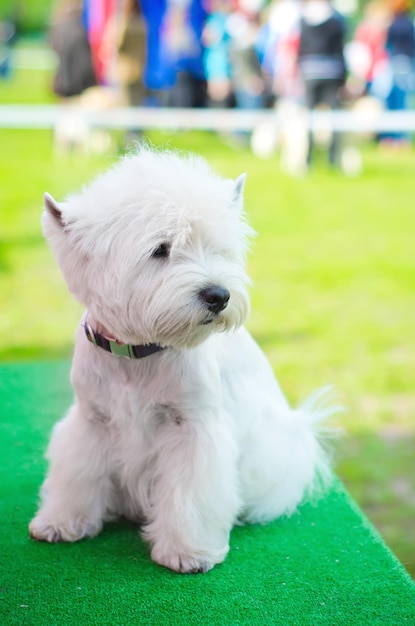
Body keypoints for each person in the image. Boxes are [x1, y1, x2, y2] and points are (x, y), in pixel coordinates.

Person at [297, 0, 347, 167]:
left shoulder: (304, 18)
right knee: (334, 118)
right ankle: (333, 159)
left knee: (309, 117)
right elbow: (340, 49)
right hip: (331, 71)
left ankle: (308, 159)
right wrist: (343, 78)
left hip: (310, 71)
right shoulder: (336, 18)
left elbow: (301, 47)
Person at [382, 0, 415, 146]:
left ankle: (393, 136)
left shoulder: (393, 24)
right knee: (403, 100)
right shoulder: (409, 24)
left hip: (396, 63)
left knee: (394, 100)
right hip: (406, 63)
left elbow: (387, 45)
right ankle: (401, 137)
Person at [49, 0, 96, 98]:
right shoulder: (79, 30)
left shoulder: (59, 27)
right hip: (76, 85)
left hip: (62, 82)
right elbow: (85, 63)